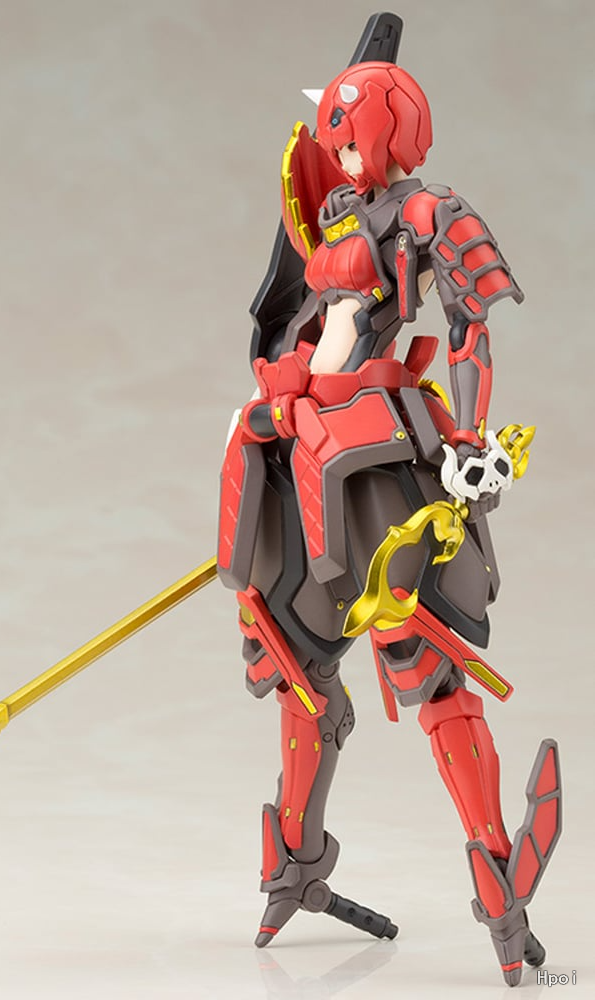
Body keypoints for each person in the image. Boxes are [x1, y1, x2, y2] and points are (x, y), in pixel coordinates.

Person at [217, 59, 560, 987]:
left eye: (347, 133)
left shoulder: (431, 213)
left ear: (383, 131)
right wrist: (280, 391)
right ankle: (294, 862)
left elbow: (471, 326)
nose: (338, 154)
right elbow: (313, 323)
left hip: (372, 449)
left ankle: (497, 881)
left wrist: (473, 437)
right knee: (299, 671)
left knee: (426, 663)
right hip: (299, 445)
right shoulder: (338, 214)